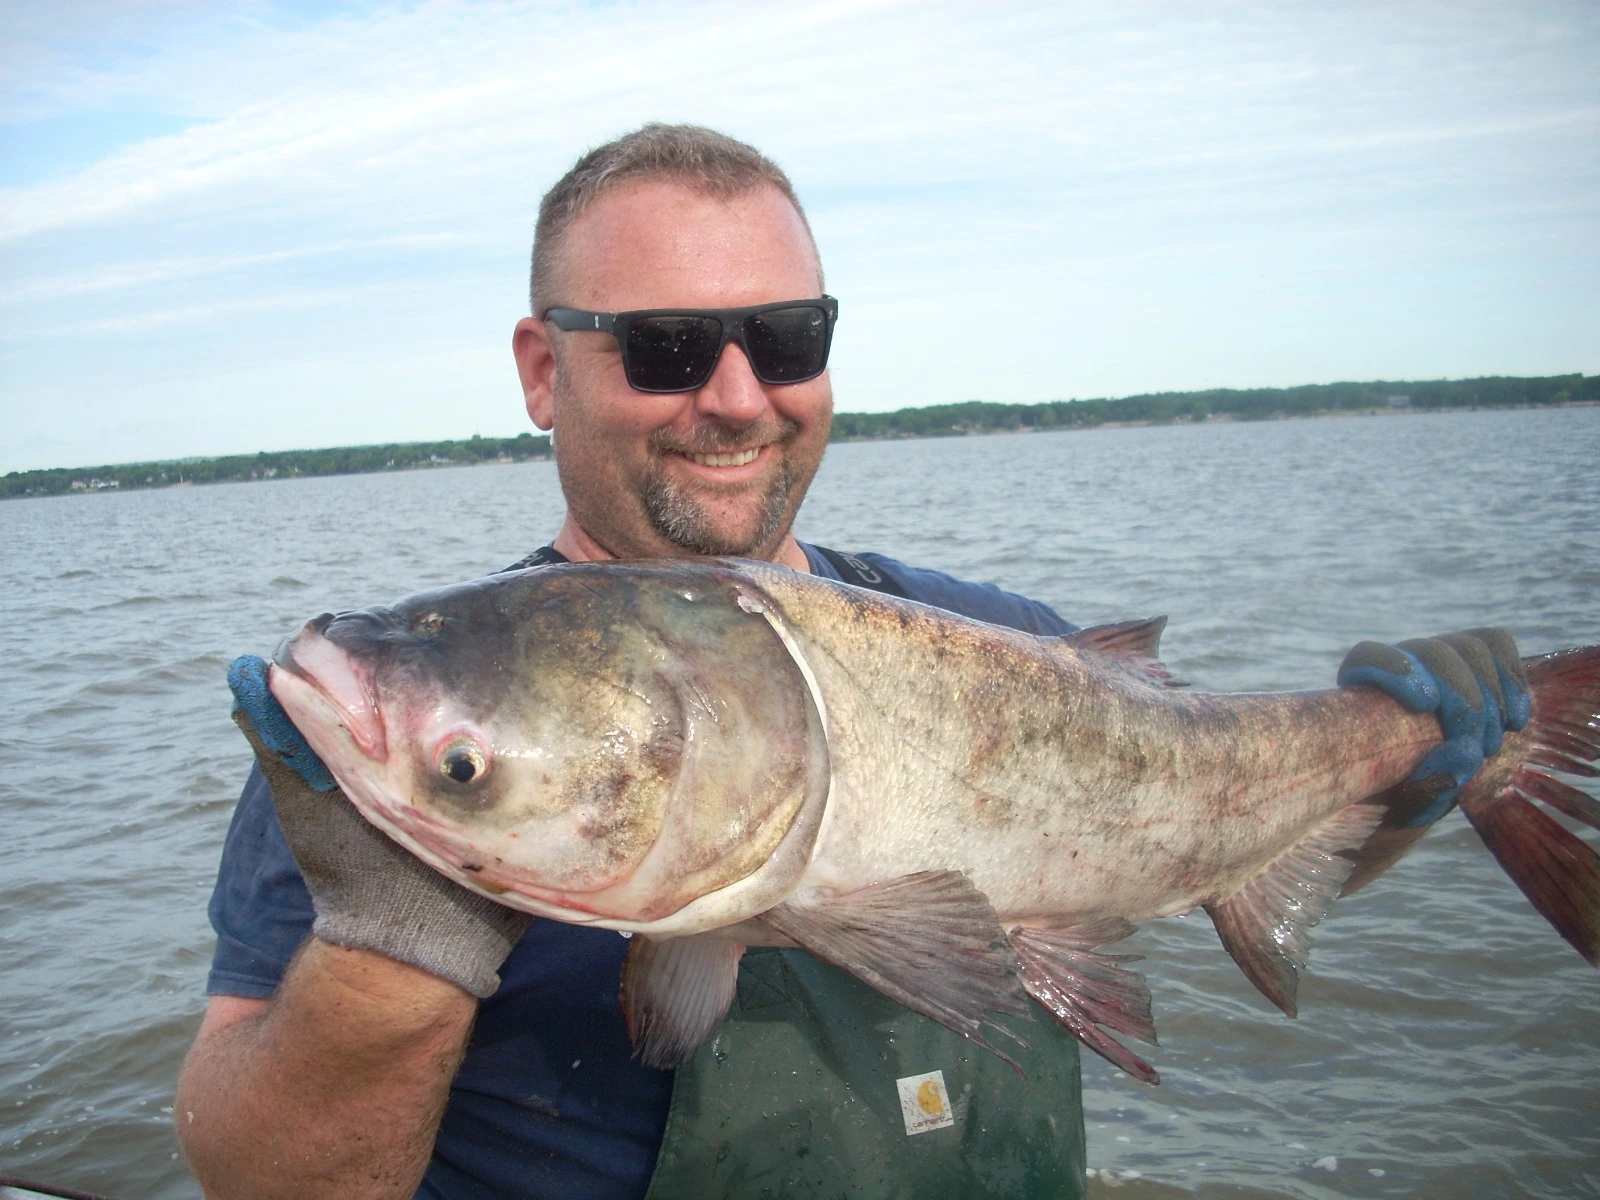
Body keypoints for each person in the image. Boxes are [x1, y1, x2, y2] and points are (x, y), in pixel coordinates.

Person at [175, 124, 1526, 1200]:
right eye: (665, 347)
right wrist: (397, 940)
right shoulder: (370, 744)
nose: (737, 395)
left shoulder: (1014, 638)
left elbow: (1184, 862)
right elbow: (263, 1182)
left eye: (787, 338)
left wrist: (1406, 783)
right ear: (543, 371)